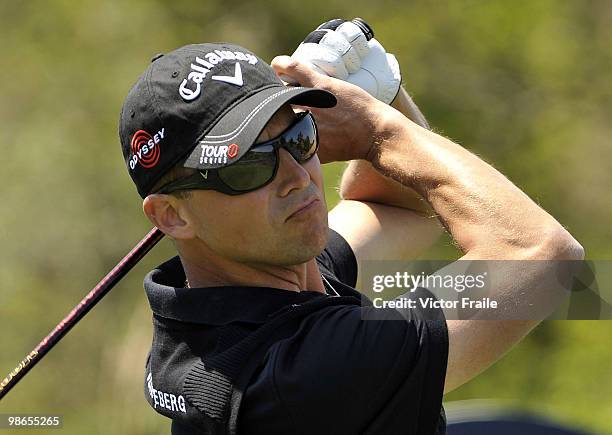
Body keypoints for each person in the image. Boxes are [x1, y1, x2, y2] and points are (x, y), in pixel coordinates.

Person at [118, 35, 583, 434]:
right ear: (173, 216)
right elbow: (545, 257)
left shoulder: (239, 296)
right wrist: (378, 131)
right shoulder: (303, 374)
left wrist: (383, 97)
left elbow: (392, 207)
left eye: (299, 138)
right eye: (250, 166)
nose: (297, 177)